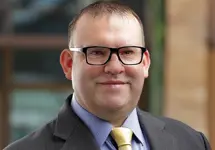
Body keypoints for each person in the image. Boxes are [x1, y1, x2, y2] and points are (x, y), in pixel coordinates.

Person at [4, 1, 211, 150]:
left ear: (145, 63)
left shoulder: (191, 143)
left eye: (127, 53)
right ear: (68, 64)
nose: (114, 67)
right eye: (97, 53)